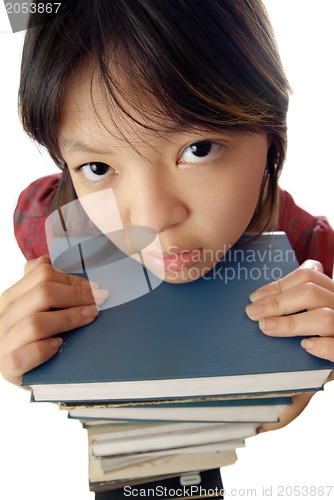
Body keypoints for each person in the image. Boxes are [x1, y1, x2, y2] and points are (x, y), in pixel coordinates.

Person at [0, 0, 333, 498]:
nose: (152, 218)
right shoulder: (47, 220)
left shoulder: (307, 253)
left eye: (198, 149)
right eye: (97, 167)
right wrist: (35, 353)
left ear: (271, 132)